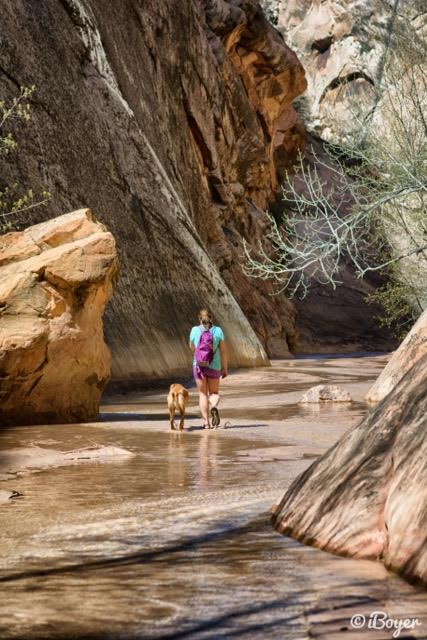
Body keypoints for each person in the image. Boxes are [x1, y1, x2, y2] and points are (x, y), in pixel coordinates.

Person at [189, 309, 228, 429]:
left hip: (199, 365)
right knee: (214, 393)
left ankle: (206, 423)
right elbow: (223, 351)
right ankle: (214, 406)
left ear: (199, 319)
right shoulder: (218, 331)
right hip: (214, 366)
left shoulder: (195, 330)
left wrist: (199, 356)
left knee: (202, 394)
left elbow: (191, 347)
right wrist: (224, 368)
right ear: (211, 318)